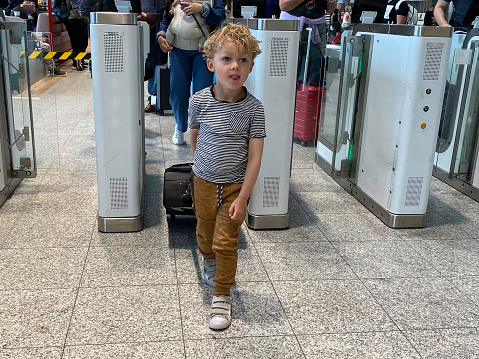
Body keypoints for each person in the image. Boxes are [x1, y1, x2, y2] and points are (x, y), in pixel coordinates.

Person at [189, 23, 265, 330]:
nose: (235, 66)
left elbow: (256, 156)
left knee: (226, 241)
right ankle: (207, 258)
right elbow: (195, 138)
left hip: (235, 186)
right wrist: (202, 165)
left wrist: (244, 196)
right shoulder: (199, 101)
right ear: (211, 64)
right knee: (205, 235)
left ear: (251, 66)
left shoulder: (254, 110)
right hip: (203, 182)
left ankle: (222, 295)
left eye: (243, 60)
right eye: (227, 59)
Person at [157, 0, 225, 145]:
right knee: (178, 92)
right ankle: (180, 126)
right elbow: (166, 18)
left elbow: (220, 16)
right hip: (178, 50)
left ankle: (199, 131)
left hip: (203, 50)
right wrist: (161, 36)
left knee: (202, 93)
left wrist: (202, 8)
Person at [279, 0, 336, 86]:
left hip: (317, 25)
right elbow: (283, 6)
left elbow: (330, 10)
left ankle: (310, 95)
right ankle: (284, 93)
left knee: (316, 66)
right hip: (292, 23)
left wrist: (330, 1)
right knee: (287, 66)